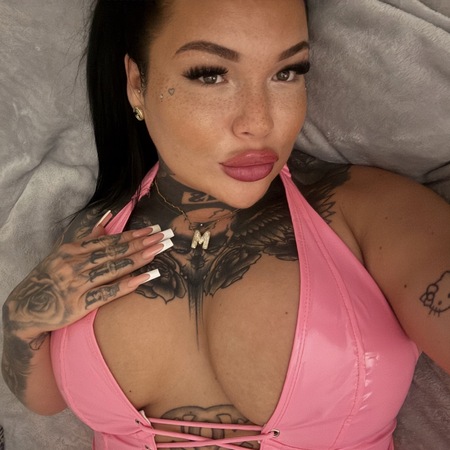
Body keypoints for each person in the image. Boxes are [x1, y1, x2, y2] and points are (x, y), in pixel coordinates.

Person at [2, 0, 449, 449]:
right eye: (210, 75)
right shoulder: (95, 232)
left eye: (287, 72)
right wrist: (18, 322)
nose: (260, 122)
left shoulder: (375, 215)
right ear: (138, 84)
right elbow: (48, 398)